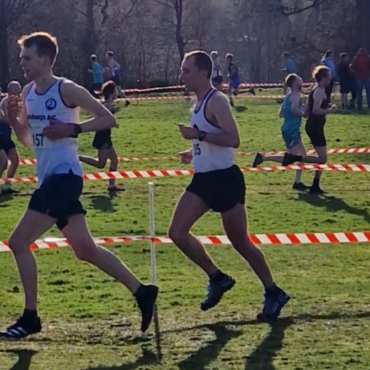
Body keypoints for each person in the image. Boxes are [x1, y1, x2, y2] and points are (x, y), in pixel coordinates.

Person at [0, 31, 158, 340]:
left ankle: (30, 317)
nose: (22, 63)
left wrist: (73, 128)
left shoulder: (66, 89)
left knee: (18, 242)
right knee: (85, 250)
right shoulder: (29, 94)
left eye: (27, 58)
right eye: (21, 59)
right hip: (48, 179)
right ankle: (142, 291)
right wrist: (11, 118)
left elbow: (107, 118)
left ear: (45, 60)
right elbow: (29, 141)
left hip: (64, 178)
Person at [169, 50, 290, 320]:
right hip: (203, 179)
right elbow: (210, 139)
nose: (181, 76)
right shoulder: (196, 103)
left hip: (225, 180)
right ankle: (218, 277)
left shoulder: (217, 101)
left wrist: (198, 135)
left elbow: (233, 139)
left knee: (240, 243)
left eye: (186, 70)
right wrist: (194, 150)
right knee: (176, 232)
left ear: (203, 73)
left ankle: (273, 291)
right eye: (181, 70)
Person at [271, 66, 337, 194]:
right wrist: (330, 110)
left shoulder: (316, 90)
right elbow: (314, 110)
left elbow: (304, 111)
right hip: (308, 128)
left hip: (308, 127)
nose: (330, 78)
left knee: (317, 157)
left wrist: (326, 107)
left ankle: (307, 183)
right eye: (328, 76)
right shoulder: (316, 91)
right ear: (323, 77)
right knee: (319, 158)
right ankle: (286, 159)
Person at [252, 74, 310, 190]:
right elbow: (294, 109)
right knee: (290, 158)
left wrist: (297, 110)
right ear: (295, 83)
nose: (302, 81)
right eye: (299, 79)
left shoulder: (288, 96)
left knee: (302, 155)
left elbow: (281, 114)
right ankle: (263, 157)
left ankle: (297, 182)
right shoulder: (297, 95)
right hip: (292, 130)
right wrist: (303, 113)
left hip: (287, 128)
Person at [79, 80, 124, 192]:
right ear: (112, 92)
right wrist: (112, 124)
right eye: (115, 90)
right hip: (103, 137)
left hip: (106, 136)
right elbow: (103, 121)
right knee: (100, 164)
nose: (117, 92)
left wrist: (113, 123)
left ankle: (111, 185)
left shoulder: (108, 105)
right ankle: (78, 157)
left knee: (114, 160)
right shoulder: (108, 106)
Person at [0, 81, 21, 194]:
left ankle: (6, 187)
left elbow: (12, 120)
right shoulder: (6, 101)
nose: (20, 90)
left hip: (6, 136)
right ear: (12, 89)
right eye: (18, 88)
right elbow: (5, 118)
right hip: (0, 135)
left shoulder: (13, 101)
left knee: (15, 160)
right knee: (3, 162)